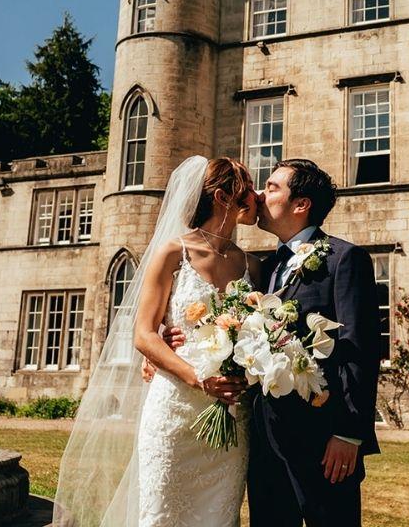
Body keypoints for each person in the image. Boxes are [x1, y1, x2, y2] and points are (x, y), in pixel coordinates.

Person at [154, 157, 381, 527]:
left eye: (272, 187)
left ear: (301, 204)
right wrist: (170, 338)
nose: (259, 194)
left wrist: (348, 434)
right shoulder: (265, 267)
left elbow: (360, 350)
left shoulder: (344, 259)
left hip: (324, 442)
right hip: (264, 441)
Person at [53, 156, 262, 527]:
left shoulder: (252, 266)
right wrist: (198, 377)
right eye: (247, 187)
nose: (256, 195)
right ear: (222, 196)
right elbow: (144, 334)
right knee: (162, 515)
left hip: (230, 417)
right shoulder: (172, 253)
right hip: (174, 413)